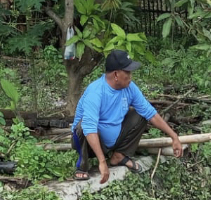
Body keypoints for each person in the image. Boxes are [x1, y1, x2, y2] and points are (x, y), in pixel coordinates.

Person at [71, 49, 183, 183]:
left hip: (113, 141)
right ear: (116, 74)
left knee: (140, 114)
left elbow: (150, 112)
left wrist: (174, 136)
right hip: (89, 144)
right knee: (83, 125)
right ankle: (82, 166)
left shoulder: (130, 88)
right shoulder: (96, 91)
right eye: (127, 72)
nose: (130, 76)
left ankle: (119, 156)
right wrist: (102, 161)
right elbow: (89, 128)